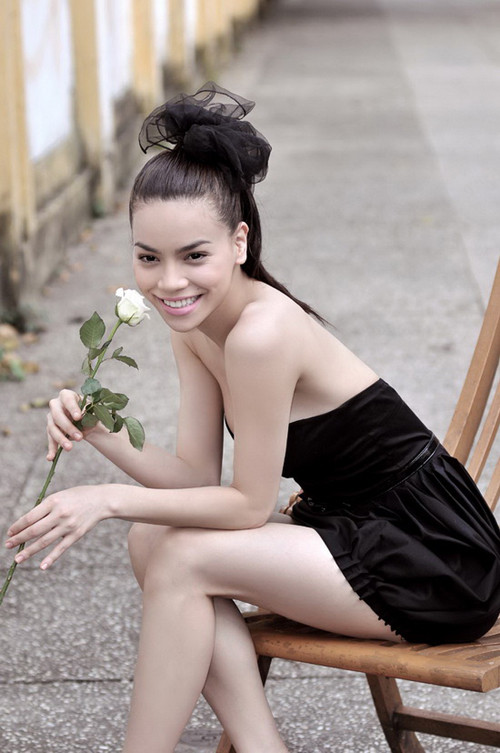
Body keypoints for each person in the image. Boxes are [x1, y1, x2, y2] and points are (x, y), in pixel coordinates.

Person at [5, 82, 500, 753]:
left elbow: (246, 505)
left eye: (194, 255)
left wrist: (105, 498)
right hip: (350, 529)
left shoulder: (261, 334)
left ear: (238, 242)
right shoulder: (196, 326)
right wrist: (99, 429)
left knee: (180, 556)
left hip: (433, 557)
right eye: (148, 257)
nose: (169, 283)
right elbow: (193, 478)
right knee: (151, 541)